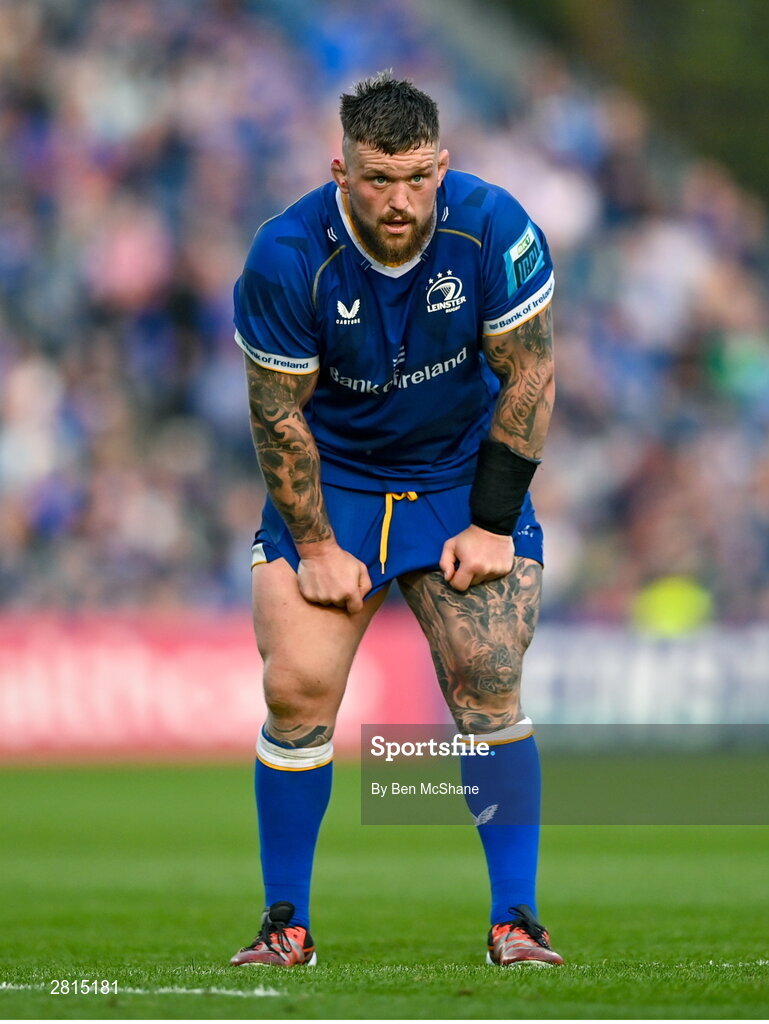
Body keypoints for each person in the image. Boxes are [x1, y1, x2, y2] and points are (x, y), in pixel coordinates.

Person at [230, 71, 562, 968]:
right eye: (377, 179)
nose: (399, 200)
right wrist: (313, 544)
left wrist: (492, 523)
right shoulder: (286, 255)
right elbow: (277, 414)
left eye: (417, 178)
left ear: (442, 164)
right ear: (340, 168)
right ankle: (285, 921)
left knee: (488, 679)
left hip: (459, 473)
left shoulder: (494, 227)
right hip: (333, 479)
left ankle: (516, 919)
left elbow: (529, 375)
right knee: (295, 688)